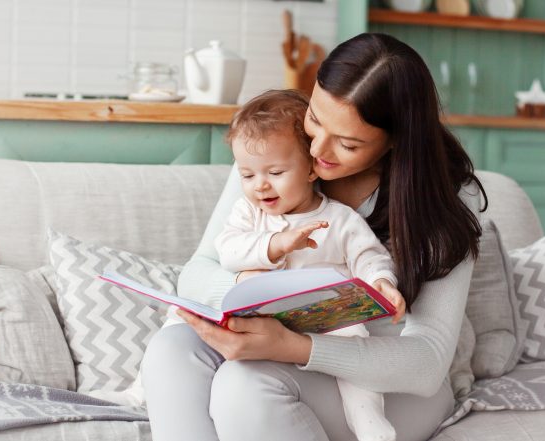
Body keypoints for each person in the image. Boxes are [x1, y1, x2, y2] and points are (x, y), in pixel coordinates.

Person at [142, 32, 487, 441]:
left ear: (395, 142)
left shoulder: (444, 194)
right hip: (280, 348)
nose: (317, 150)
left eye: (347, 143)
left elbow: (426, 362)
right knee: (171, 350)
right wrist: (243, 285)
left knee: (245, 386)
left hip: (383, 379)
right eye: (317, 119)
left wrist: (290, 347)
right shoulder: (277, 150)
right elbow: (198, 271)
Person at [213, 89, 406, 441]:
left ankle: (368, 420)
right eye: (247, 175)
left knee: (354, 340)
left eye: (275, 171)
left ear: (311, 168)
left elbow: (368, 255)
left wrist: (381, 281)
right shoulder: (249, 212)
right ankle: (141, 391)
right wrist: (275, 245)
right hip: (262, 318)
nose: (261, 185)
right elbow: (227, 249)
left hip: (325, 319)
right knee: (181, 326)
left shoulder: (339, 219)